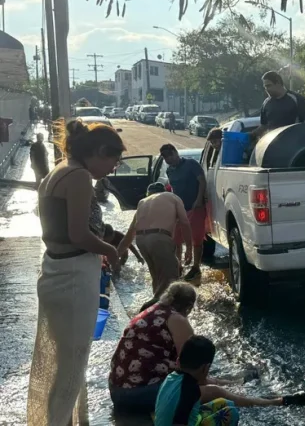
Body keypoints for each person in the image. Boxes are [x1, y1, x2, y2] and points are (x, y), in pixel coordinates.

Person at [28, 119, 126, 426]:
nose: (112, 169)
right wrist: (110, 250)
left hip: (57, 270)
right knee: (71, 365)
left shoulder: (60, 170)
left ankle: (71, 421)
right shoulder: (80, 176)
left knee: (68, 361)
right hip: (73, 276)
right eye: (113, 161)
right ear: (99, 151)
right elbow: (79, 234)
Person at [109, 282, 232, 414]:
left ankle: (235, 386)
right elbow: (191, 371)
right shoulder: (177, 320)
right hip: (136, 395)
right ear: (189, 306)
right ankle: (255, 402)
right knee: (214, 392)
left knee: (208, 386)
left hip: (117, 390)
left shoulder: (152, 310)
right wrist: (219, 382)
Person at [154, 335, 305, 426]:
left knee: (226, 403)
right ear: (205, 368)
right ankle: (280, 401)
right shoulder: (190, 391)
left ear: (179, 361)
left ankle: (280, 401)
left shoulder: (173, 377)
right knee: (231, 413)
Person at [118, 182, 193, 311]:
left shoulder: (143, 202)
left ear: (148, 194)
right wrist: (190, 249)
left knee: (157, 280)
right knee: (171, 283)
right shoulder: (173, 197)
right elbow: (185, 223)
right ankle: (150, 310)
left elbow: (129, 236)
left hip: (141, 240)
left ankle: (157, 313)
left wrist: (114, 255)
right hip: (160, 238)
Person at [159, 144, 207, 281]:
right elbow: (173, 189)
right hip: (179, 209)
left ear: (175, 152)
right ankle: (178, 265)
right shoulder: (170, 171)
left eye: (170, 155)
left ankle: (196, 267)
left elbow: (202, 181)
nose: (169, 159)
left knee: (197, 238)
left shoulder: (191, 164)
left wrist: (198, 200)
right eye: (165, 157)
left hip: (195, 207)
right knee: (176, 239)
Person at [244, 71, 305, 161]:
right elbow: (264, 126)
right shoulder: (266, 103)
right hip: (272, 148)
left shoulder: (297, 99)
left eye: (268, 85)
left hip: (294, 149)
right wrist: (250, 135)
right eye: (265, 87)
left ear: (278, 82)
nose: (266, 89)